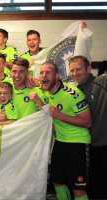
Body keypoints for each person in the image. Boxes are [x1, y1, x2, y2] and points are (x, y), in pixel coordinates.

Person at [31, 62, 91, 200]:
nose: (43, 76)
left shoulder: (73, 94)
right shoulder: (44, 91)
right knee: (57, 182)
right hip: (59, 142)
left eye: (48, 72)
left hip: (78, 143)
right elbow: (47, 108)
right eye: (41, 73)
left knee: (78, 189)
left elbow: (87, 122)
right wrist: (39, 102)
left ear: (57, 76)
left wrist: (59, 115)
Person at [68, 55, 107, 199]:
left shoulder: (102, 81)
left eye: (78, 69)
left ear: (89, 69)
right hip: (90, 146)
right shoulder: (76, 92)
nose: (75, 73)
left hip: (103, 143)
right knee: (94, 186)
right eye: (71, 70)